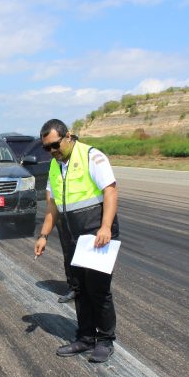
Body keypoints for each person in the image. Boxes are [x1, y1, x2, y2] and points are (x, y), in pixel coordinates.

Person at [33, 119, 120, 363]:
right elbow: (52, 205)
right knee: (80, 289)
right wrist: (43, 235)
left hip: (96, 234)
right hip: (73, 237)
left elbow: (110, 191)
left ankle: (104, 340)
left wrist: (105, 227)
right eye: (47, 148)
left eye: (55, 145)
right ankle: (84, 338)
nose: (52, 151)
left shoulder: (92, 156)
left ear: (68, 136)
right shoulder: (54, 165)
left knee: (98, 290)